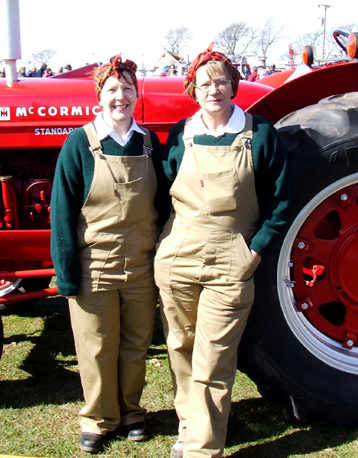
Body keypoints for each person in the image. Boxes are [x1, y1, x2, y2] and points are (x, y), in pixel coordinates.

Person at [154, 43, 291, 458]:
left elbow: (280, 201)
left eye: (221, 81)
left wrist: (256, 250)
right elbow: (162, 195)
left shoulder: (260, 134)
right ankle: (188, 427)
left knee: (213, 356)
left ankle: (201, 448)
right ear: (192, 89)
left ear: (233, 86)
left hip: (231, 257)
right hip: (178, 255)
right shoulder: (181, 134)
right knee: (180, 348)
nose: (213, 89)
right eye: (203, 83)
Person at [50, 54, 170, 454]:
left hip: (141, 264)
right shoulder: (78, 144)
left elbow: (167, 205)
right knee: (97, 346)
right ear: (99, 96)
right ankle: (99, 418)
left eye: (128, 89)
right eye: (112, 90)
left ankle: (132, 411)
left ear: (138, 94)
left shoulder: (150, 143)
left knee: (136, 343)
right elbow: (63, 213)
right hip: (93, 266)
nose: (121, 97)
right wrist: (66, 274)